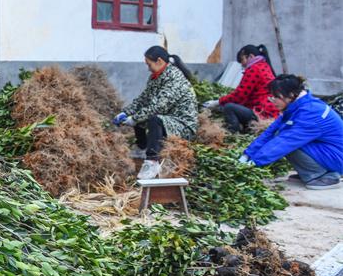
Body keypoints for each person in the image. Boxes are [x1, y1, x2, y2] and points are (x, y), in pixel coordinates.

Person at [241, 74, 343, 190]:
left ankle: (323, 174)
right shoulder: (297, 106)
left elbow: (285, 141)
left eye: (276, 97)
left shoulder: (311, 112)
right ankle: (312, 170)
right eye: (271, 96)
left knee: (286, 144)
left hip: (338, 157)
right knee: (279, 136)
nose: (272, 100)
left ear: (290, 95)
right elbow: (270, 131)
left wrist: (254, 163)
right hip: (328, 151)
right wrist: (246, 155)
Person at [113, 46, 198, 180]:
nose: (148, 68)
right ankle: (142, 148)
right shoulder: (155, 78)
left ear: (159, 61)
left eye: (149, 64)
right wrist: (125, 112)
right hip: (168, 118)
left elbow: (159, 106)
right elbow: (143, 99)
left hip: (182, 124)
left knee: (153, 119)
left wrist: (134, 118)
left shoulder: (175, 78)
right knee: (143, 116)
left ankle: (152, 161)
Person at [202, 44, 278, 132]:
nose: (242, 64)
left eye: (242, 60)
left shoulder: (254, 69)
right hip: (270, 111)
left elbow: (239, 95)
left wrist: (218, 102)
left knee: (229, 107)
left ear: (250, 56)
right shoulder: (264, 66)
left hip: (262, 113)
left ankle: (234, 134)